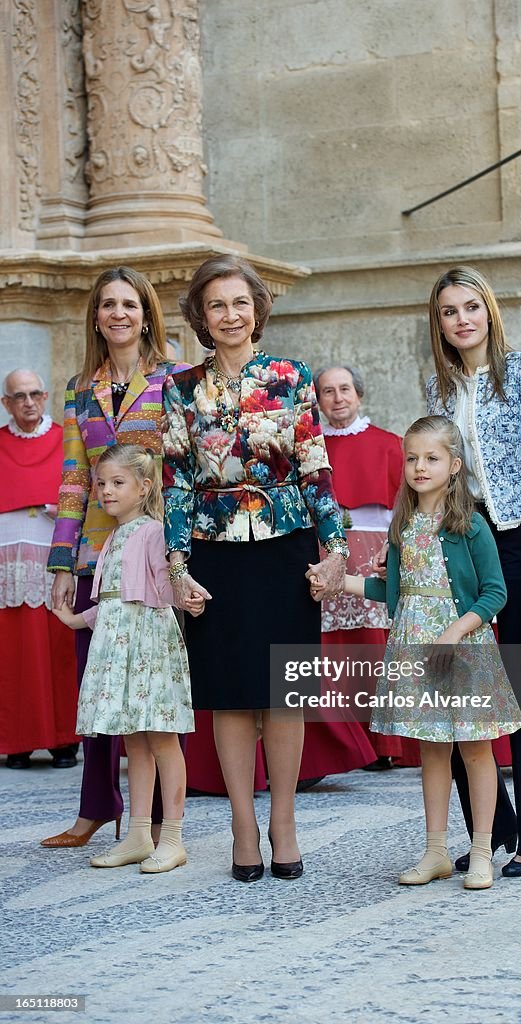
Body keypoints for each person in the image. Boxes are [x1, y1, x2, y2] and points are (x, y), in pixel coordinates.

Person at [163, 254, 347, 882]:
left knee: (285, 694)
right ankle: (243, 822)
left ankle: (285, 820)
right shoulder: (180, 389)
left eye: (241, 302)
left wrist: (337, 550)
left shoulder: (292, 376)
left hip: (285, 548)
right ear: (201, 317)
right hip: (216, 557)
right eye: (217, 305)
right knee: (232, 698)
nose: (231, 314)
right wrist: (177, 565)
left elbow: (315, 467)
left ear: (258, 310)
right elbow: (175, 483)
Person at [341, 416, 521, 889]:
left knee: (477, 751)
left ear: (454, 465)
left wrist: (454, 632)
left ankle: (482, 850)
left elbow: (495, 593)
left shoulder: (471, 526)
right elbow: (394, 590)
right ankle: (436, 851)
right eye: (412, 458)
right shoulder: (403, 524)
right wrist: (340, 582)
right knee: (432, 751)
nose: (419, 467)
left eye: (432, 458)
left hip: (461, 646)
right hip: (414, 644)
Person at [42, 266, 188, 849]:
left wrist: (183, 554)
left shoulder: (176, 378)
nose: (119, 313)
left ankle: (158, 825)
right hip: (95, 558)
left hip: (156, 554)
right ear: (96, 316)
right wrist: (60, 563)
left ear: (147, 314)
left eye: (130, 303)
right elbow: (74, 477)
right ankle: (96, 808)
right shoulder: (82, 386)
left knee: (153, 694)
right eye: (108, 304)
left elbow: (184, 469)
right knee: (99, 690)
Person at [426, 265, 521, 877]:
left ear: (489, 310)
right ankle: (493, 829)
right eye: (450, 311)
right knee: (456, 686)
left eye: (471, 307)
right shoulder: (438, 389)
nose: (462, 319)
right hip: (465, 541)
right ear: (440, 322)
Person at [53, 446, 194, 873]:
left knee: (161, 739)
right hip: (119, 647)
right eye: (101, 483)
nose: (107, 491)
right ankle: (137, 834)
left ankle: (171, 836)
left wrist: (189, 592)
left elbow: (162, 591)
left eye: (118, 483)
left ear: (144, 486)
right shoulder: (113, 536)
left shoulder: (153, 532)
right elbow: (113, 600)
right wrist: (78, 619)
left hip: (148, 647)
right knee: (133, 740)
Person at [311, 363, 418, 772]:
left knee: (377, 642)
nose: (338, 398)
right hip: (327, 553)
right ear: (318, 401)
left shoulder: (390, 444)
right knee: (333, 647)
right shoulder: (311, 448)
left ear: (359, 394)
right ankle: (347, 742)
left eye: (345, 389)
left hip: (377, 550)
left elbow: (404, 507)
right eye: (328, 391)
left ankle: (388, 742)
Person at [0, 369, 78, 769]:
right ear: (6, 403)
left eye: (34, 394)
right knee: (13, 652)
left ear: (45, 396)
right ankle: (18, 741)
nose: (28, 402)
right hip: (8, 565)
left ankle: (65, 740)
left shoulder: (66, 439)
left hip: (56, 556)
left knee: (59, 647)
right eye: (19, 396)